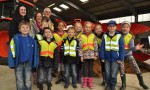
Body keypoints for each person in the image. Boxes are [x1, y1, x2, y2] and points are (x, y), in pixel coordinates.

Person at [8, 21, 39, 90]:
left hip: (28, 64)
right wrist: (11, 63)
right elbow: (11, 51)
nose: (25, 29)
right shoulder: (15, 39)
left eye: (27, 27)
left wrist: (35, 64)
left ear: (30, 29)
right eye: (23, 27)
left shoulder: (32, 40)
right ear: (19, 29)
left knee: (28, 81)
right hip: (18, 64)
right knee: (20, 82)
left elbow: (35, 54)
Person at [119, 21, 148, 90]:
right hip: (121, 55)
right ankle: (123, 84)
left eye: (127, 27)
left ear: (129, 28)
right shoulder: (118, 36)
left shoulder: (131, 37)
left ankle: (142, 83)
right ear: (121, 28)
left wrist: (135, 48)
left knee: (136, 67)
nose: (125, 28)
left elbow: (131, 48)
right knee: (121, 69)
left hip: (128, 54)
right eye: (123, 27)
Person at [100, 20, 124, 90]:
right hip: (106, 58)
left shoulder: (119, 36)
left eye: (113, 26)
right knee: (107, 73)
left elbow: (122, 48)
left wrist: (120, 58)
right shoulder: (104, 36)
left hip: (115, 58)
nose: (112, 28)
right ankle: (108, 85)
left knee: (113, 73)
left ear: (116, 27)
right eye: (110, 26)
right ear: (107, 27)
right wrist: (102, 56)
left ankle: (113, 85)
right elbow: (102, 47)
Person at [79, 21, 98, 89]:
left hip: (92, 55)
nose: (87, 28)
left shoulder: (93, 36)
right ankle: (84, 82)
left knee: (90, 69)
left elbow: (96, 46)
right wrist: (81, 56)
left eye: (89, 27)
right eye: (86, 27)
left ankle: (90, 82)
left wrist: (96, 55)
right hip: (85, 56)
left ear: (91, 28)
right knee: (84, 69)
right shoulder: (81, 36)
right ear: (84, 28)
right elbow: (80, 47)